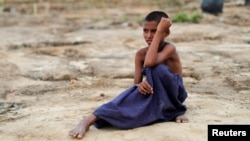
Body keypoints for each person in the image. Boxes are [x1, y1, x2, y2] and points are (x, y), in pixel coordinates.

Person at [68, 11, 188, 139]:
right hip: (155, 94)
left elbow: (150, 62)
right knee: (132, 95)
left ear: (166, 33)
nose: (149, 36)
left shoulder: (170, 49)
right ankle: (90, 118)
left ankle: (175, 110)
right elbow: (135, 84)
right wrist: (140, 85)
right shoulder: (140, 54)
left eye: (154, 31)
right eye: (145, 31)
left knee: (157, 69)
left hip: (174, 94)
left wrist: (159, 32)